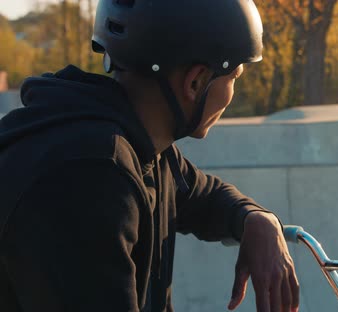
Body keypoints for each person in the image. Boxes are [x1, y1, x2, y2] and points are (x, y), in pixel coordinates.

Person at [0, 0, 299, 311]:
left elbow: (204, 194)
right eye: (234, 77)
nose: (231, 93)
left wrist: (257, 220)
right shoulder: (90, 177)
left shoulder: (142, 146)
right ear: (195, 82)